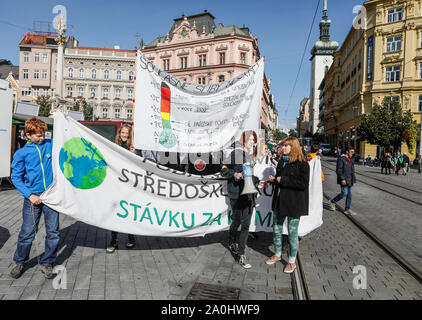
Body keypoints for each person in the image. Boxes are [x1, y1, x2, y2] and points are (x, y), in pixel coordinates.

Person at [9, 117, 60, 279]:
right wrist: (29, 195)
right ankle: (19, 262)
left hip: (51, 196)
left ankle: (47, 262)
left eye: (43, 134)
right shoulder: (21, 153)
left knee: (53, 232)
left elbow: (64, 139)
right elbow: (16, 177)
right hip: (32, 198)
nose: (42, 138)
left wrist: (58, 116)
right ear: (28, 135)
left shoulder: (50, 146)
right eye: (38, 135)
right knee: (27, 232)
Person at [221, 130, 265, 269]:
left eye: (254, 140)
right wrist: (235, 174)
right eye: (250, 139)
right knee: (236, 220)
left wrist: (258, 181)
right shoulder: (235, 154)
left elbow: (250, 176)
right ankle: (231, 239)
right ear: (243, 140)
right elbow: (223, 170)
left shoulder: (251, 156)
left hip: (249, 194)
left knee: (246, 224)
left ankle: (241, 254)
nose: (253, 142)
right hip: (237, 193)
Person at [266, 137, 310, 273]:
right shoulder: (281, 162)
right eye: (282, 146)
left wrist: (282, 179)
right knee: (277, 229)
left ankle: (292, 262)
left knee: (292, 233)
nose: (282, 148)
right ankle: (278, 254)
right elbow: (281, 181)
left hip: (294, 203)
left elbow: (302, 184)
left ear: (293, 147)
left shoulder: (303, 164)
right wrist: (273, 181)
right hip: (279, 201)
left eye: (285, 146)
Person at [106, 124, 137, 253]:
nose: (125, 135)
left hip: (129, 186)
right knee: (115, 214)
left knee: (128, 212)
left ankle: (131, 238)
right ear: (119, 133)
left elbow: (139, 164)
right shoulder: (115, 146)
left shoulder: (133, 147)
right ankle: (113, 241)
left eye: (127, 133)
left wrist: (134, 154)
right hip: (116, 185)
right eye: (123, 133)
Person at [329, 145, 357, 215]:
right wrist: (342, 179)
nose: (352, 153)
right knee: (344, 193)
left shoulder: (351, 159)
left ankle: (347, 209)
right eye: (351, 152)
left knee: (349, 195)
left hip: (350, 179)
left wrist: (354, 180)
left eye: (353, 152)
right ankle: (333, 201)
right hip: (344, 179)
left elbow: (353, 170)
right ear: (347, 152)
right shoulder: (341, 159)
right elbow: (339, 170)